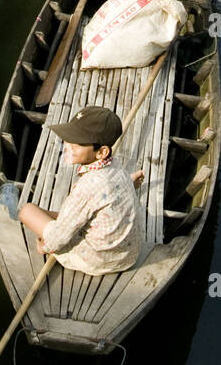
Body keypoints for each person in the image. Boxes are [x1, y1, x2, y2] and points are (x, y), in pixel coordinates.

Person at [18, 107, 144, 275]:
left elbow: (58, 239)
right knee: (60, 215)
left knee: (27, 211)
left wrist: (46, 246)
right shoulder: (116, 167)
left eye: (77, 144)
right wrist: (130, 182)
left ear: (101, 152)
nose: (68, 147)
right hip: (128, 255)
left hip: (99, 260)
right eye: (68, 139)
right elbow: (108, 190)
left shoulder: (88, 186)